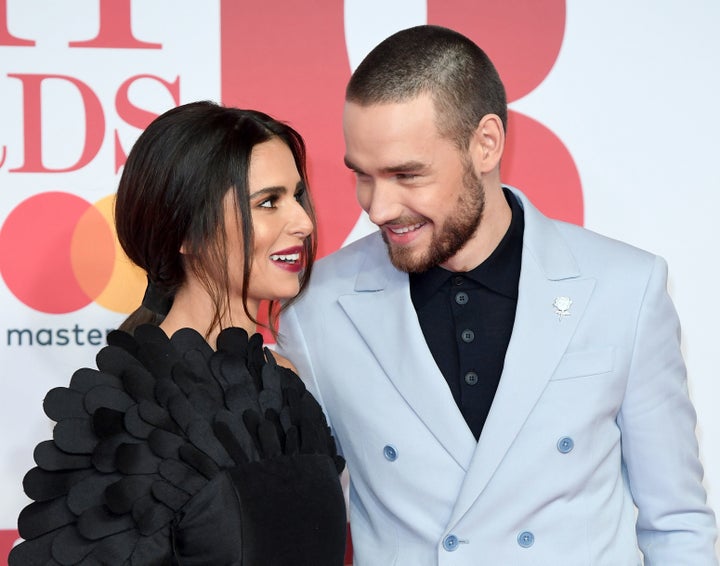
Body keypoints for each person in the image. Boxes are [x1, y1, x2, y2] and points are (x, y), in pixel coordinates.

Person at [277, 25, 718, 565]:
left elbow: (676, 524)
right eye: (363, 176)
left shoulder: (625, 287)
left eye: (407, 174)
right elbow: (300, 519)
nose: (379, 207)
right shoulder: (318, 308)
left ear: (485, 143)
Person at [9, 101, 347, 566]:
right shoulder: (124, 418)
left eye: (297, 195)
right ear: (185, 232)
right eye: (268, 202)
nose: (304, 223)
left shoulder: (288, 382)